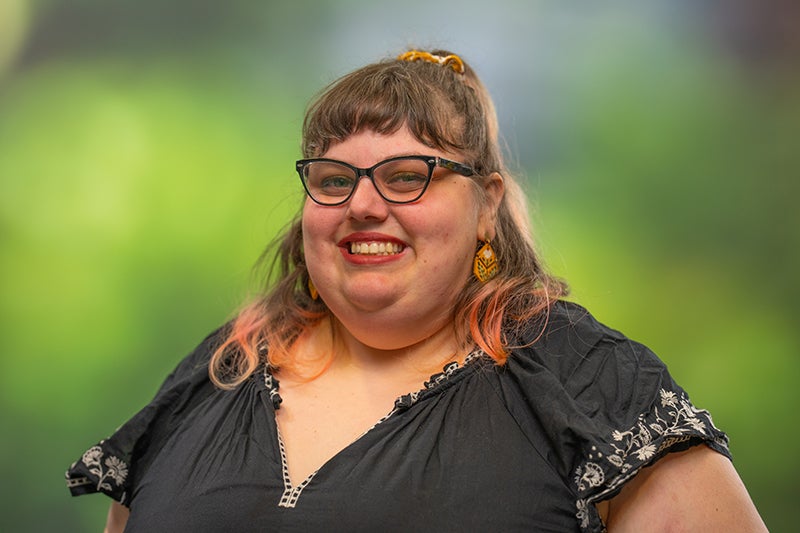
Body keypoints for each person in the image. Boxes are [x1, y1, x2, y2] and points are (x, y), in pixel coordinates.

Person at [66, 49, 766, 532]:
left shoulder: (589, 384)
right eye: (336, 180)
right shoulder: (219, 371)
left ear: (487, 205)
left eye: (407, 175)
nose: (364, 205)